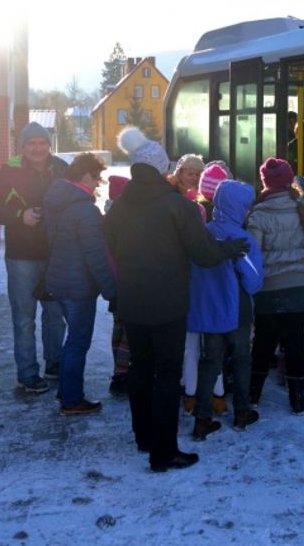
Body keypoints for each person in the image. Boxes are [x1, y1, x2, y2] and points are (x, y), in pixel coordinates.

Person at [105, 128, 249, 473]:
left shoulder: (120, 205)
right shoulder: (177, 206)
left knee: (140, 368)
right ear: (161, 168)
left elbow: (110, 243)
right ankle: (164, 450)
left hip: (132, 299)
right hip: (168, 302)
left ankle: (143, 435)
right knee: (167, 374)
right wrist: (229, 248)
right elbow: (204, 253)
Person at [0, 122, 68, 394]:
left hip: (55, 251)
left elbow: (78, 196)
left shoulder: (61, 169)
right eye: (31, 143)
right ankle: (27, 373)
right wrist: (19, 216)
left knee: (56, 314)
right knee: (24, 316)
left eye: (42, 143)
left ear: (49, 144)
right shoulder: (9, 172)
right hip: (22, 255)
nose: (37, 148)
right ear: (22, 147)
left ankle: (54, 364)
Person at [248, 157, 304, 415]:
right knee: (295, 342)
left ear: (265, 182)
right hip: (300, 286)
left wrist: (255, 284)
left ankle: (254, 394)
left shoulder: (259, 214)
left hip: (268, 289)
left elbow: (253, 257)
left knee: (263, 342)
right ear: (289, 179)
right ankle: (298, 398)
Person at [189, 179, 263, 441]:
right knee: (242, 357)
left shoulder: (203, 233)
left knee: (210, 361)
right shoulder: (242, 238)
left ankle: (202, 418)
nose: (247, 211)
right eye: (246, 206)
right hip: (237, 309)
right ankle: (242, 412)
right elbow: (253, 280)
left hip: (209, 309)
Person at [43, 153, 117, 415]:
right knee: (78, 341)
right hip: (78, 286)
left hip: (60, 279)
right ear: (85, 176)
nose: (98, 184)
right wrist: (112, 291)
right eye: (96, 178)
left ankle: (66, 390)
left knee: (72, 340)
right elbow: (96, 255)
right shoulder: (84, 210)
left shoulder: (58, 200)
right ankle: (72, 399)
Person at [182, 159, 231, 415]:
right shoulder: (229, 219)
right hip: (217, 293)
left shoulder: (192, 211)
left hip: (191, 289)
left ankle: (190, 396)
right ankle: (218, 396)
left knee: (190, 346)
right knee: (215, 348)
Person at [105, 174, 131, 398]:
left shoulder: (109, 217)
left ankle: (119, 371)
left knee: (118, 330)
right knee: (128, 333)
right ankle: (122, 373)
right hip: (126, 285)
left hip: (116, 288)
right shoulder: (121, 221)